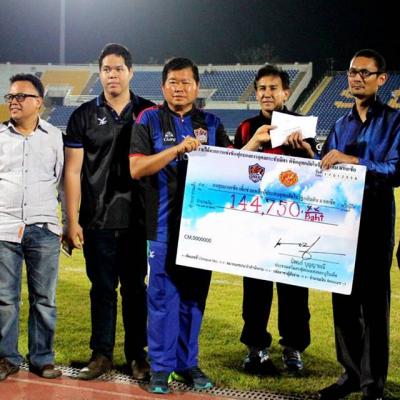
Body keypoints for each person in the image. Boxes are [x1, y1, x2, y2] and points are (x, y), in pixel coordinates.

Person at [129, 57, 232, 394]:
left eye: (186, 82)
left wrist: (255, 143)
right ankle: (161, 368)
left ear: (197, 87)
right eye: (173, 82)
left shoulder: (212, 123)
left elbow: (235, 167)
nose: (179, 88)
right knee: (161, 298)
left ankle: (187, 363)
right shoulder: (148, 118)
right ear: (163, 87)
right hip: (161, 229)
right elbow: (137, 169)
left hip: (203, 230)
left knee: (193, 299)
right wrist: (176, 150)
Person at [63, 43, 153, 380]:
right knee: (101, 289)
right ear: (99, 73)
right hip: (96, 219)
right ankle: (101, 355)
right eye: (106, 69)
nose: (112, 75)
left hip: (136, 219)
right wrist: (72, 220)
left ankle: (137, 355)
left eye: (118, 69)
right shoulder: (83, 115)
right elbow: (73, 171)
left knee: (135, 289)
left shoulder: (148, 112)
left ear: (131, 72)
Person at [315, 49, 400, 400]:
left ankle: (372, 384)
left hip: (376, 220)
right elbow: (325, 169)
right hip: (341, 221)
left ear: (382, 78)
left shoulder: (395, 121)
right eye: (352, 72)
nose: (357, 78)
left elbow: (395, 171)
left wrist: (352, 160)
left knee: (374, 305)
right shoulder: (339, 125)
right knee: (343, 301)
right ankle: (350, 374)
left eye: (365, 72)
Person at [234, 64, 315, 376]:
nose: (267, 94)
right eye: (262, 88)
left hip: (293, 221)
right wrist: (254, 143)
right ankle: (256, 346)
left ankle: (293, 347)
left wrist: (305, 150)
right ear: (256, 93)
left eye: (273, 88)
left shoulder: (301, 125)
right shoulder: (246, 127)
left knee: (294, 288)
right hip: (257, 221)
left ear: (286, 92)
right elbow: (232, 169)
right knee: (255, 287)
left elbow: (317, 174)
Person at [0, 74, 63, 380]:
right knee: (4, 299)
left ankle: (42, 358)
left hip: (44, 228)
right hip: (4, 228)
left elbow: (62, 180)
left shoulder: (55, 137)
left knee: (45, 300)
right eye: (10, 96)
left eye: (20, 96)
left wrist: (69, 223)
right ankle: (6, 357)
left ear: (38, 102)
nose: (13, 101)